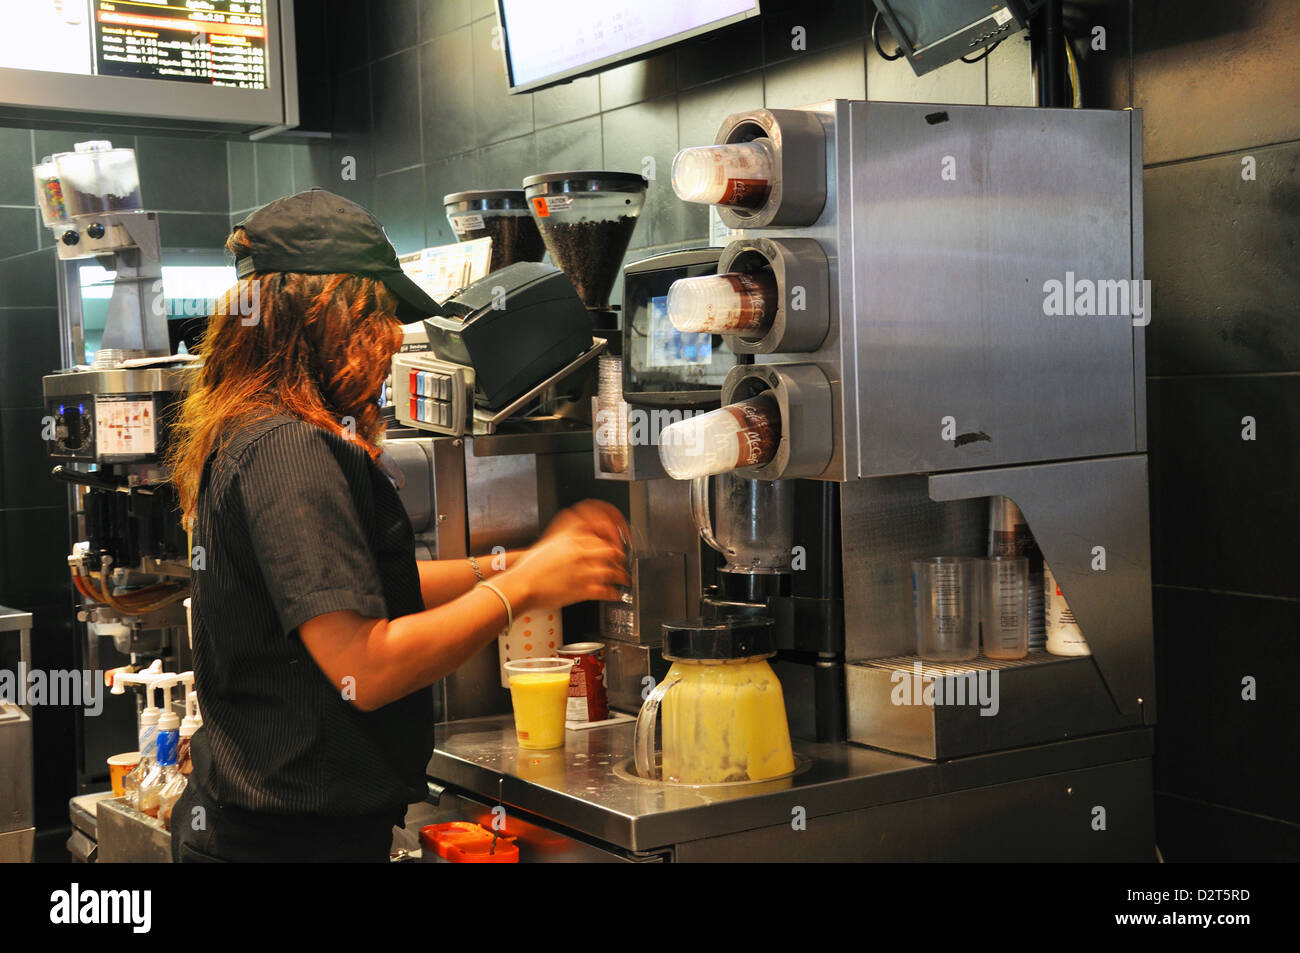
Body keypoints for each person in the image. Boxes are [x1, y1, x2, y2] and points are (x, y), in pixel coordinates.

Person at [165, 189, 629, 862]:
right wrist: (520, 589)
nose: (390, 343)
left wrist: (510, 564)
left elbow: (351, 587)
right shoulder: (288, 449)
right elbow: (364, 664)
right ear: (326, 314)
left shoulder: (257, 431)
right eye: (378, 316)